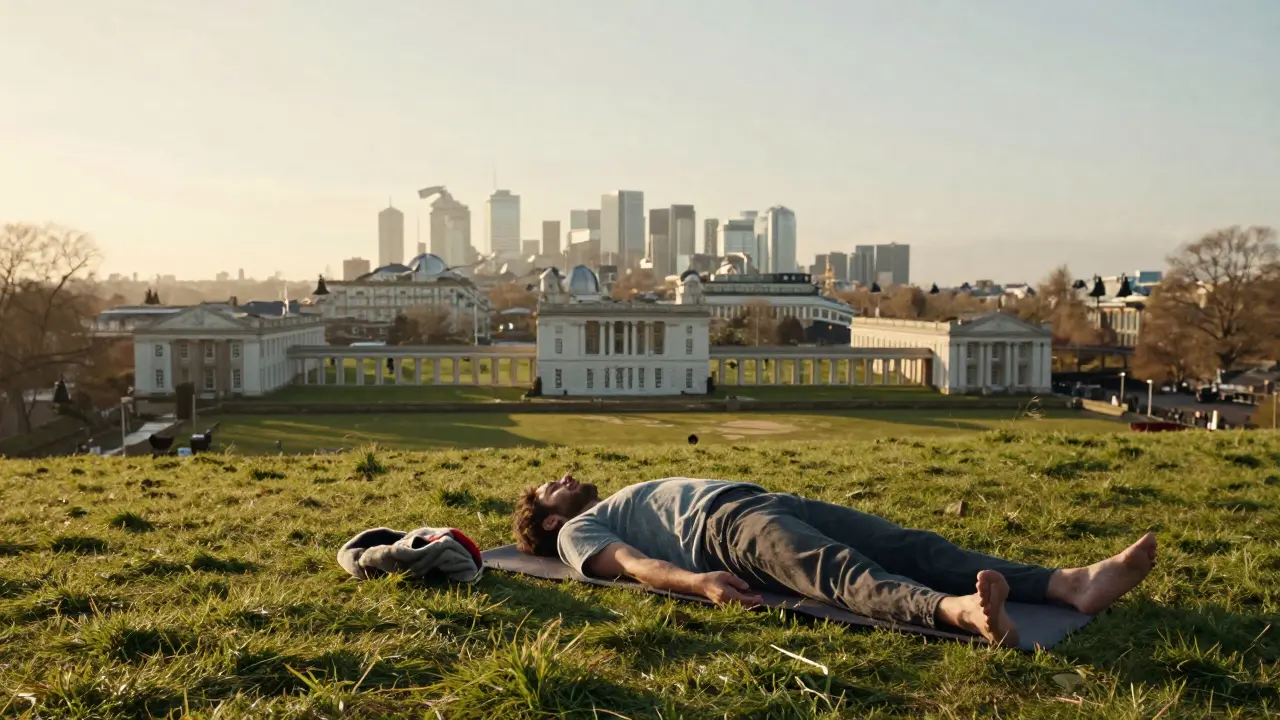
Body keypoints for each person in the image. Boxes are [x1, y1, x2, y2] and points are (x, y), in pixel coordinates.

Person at [512, 475, 1158, 647]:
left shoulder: (601, 504)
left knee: (914, 546)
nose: (565, 478)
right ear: (548, 520)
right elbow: (629, 564)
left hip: (764, 501)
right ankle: (957, 612)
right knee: (842, 575)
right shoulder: (580, 533)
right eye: (551, 486)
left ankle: (1071, 584)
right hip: (728, 531)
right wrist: (699, 583)